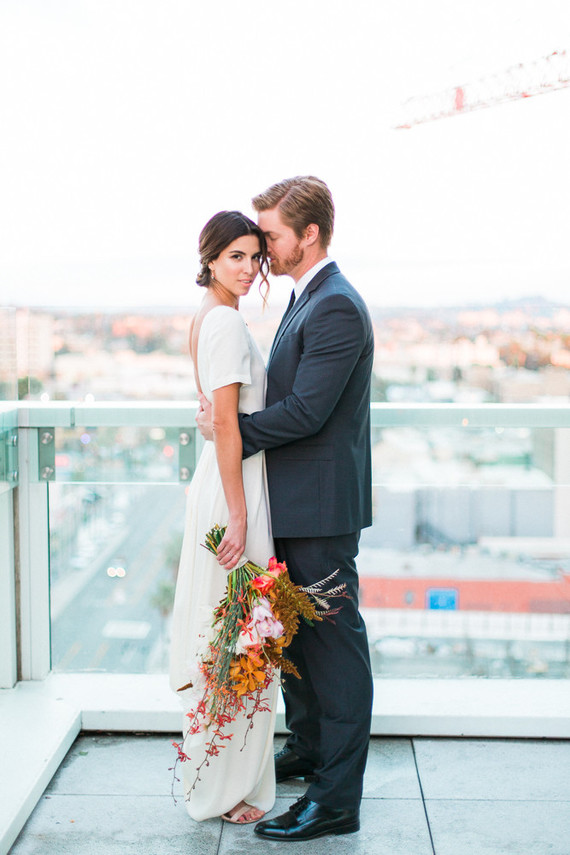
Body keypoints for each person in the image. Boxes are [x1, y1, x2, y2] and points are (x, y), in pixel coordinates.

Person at [197, 176, 374, 841]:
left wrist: (231, 432)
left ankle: (336, 800)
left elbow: (306, 412)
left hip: (320, 511)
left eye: (270, 235)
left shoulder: (335, 306)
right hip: (298, 502)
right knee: (296, 639)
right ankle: (307, 749)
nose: (262, 248)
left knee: (334, 653)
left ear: (309, 234)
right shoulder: (310, 297)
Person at [169, 210, 279, 825]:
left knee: (230, 632)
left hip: (218, 481)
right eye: (235, 255)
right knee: (239, 633)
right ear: (210, 257)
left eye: (254, 257)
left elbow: (211, 416)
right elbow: (228, 425)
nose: (247, 268)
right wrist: (240, 519)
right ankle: (225, 785)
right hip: (236, 491)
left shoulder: (205, 319)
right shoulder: (227, 325)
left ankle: (217, 775)